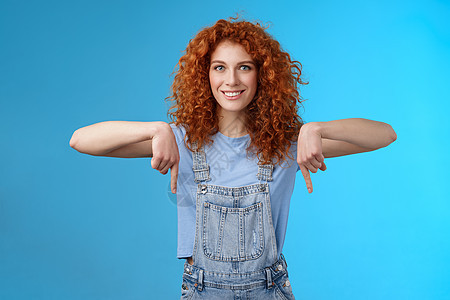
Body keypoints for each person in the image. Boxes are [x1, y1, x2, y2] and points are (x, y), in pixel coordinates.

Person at [69, 17, 396, 300]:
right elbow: (81, 140)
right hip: (202, 289)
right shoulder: (182, 141)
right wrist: (156, 129)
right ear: (204, 75)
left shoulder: (286, 144)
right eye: (219, 68)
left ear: (262, 76)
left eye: (244, 67)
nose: (232, 81)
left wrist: (315, 128)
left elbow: (384, 134)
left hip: (268, 289)